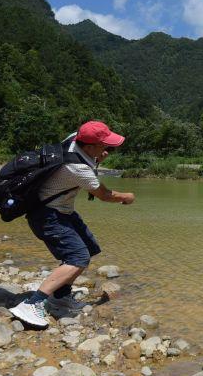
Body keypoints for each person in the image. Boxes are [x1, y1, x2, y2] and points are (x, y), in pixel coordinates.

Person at [9, 121, 135, 327]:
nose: (108, 149)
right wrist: (126, 197)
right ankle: (33, 303)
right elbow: (104, 195)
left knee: (89, 247)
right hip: (48, 215)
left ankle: (60, 296)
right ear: (89, 146)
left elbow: (88, 163)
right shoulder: (78, 167)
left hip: (61, 210)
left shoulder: (72, 139)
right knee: (77, 257)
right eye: (104, 145)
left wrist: (96, 158)